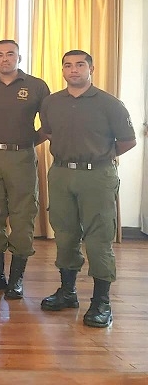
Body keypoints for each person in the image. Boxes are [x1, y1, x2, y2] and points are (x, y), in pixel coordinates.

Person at [39, 50, 135, 328]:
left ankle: (101, 303)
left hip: (97, 177)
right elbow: (48, 133)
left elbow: (127, 141)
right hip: (60, 174)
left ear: (91, 68)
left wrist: (99, 155)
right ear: (63, 70)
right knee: (65, 234)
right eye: (68, 65)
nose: (74, 70)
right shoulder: (51, 102)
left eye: (80, 65)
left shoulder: (109, 103)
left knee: (98, 238)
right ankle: (67, 293)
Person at [0, 40, 50, 299]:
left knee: (22, 215)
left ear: (19, 57)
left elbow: (48, 125)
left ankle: (16, 279)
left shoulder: (36, 86)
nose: (5, 59)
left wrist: (27, 142)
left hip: (22, 158)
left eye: (10, 54)